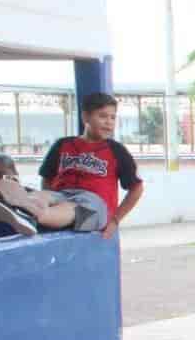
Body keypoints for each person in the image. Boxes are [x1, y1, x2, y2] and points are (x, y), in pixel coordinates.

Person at [36, 92, 142, 238]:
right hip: (62, 195)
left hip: (95, 206)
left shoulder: (117, 151)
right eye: (103, 116)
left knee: (73, 208)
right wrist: (49, 198)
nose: (109, 122)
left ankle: (38, 214)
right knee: (43, 196)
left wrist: (115, 220)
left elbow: (137, 188)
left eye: (113, 117)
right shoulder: (62, 145)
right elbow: (47, 178)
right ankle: (24, 205)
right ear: (85, 117)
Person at [0, 153, 110, 236]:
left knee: (90, 208)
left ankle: (37, 211)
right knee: (89, 210)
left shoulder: (28, 193)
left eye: (1, 175)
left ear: (15, 175)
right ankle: (39, 212)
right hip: (62, 206)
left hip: (63, 200)